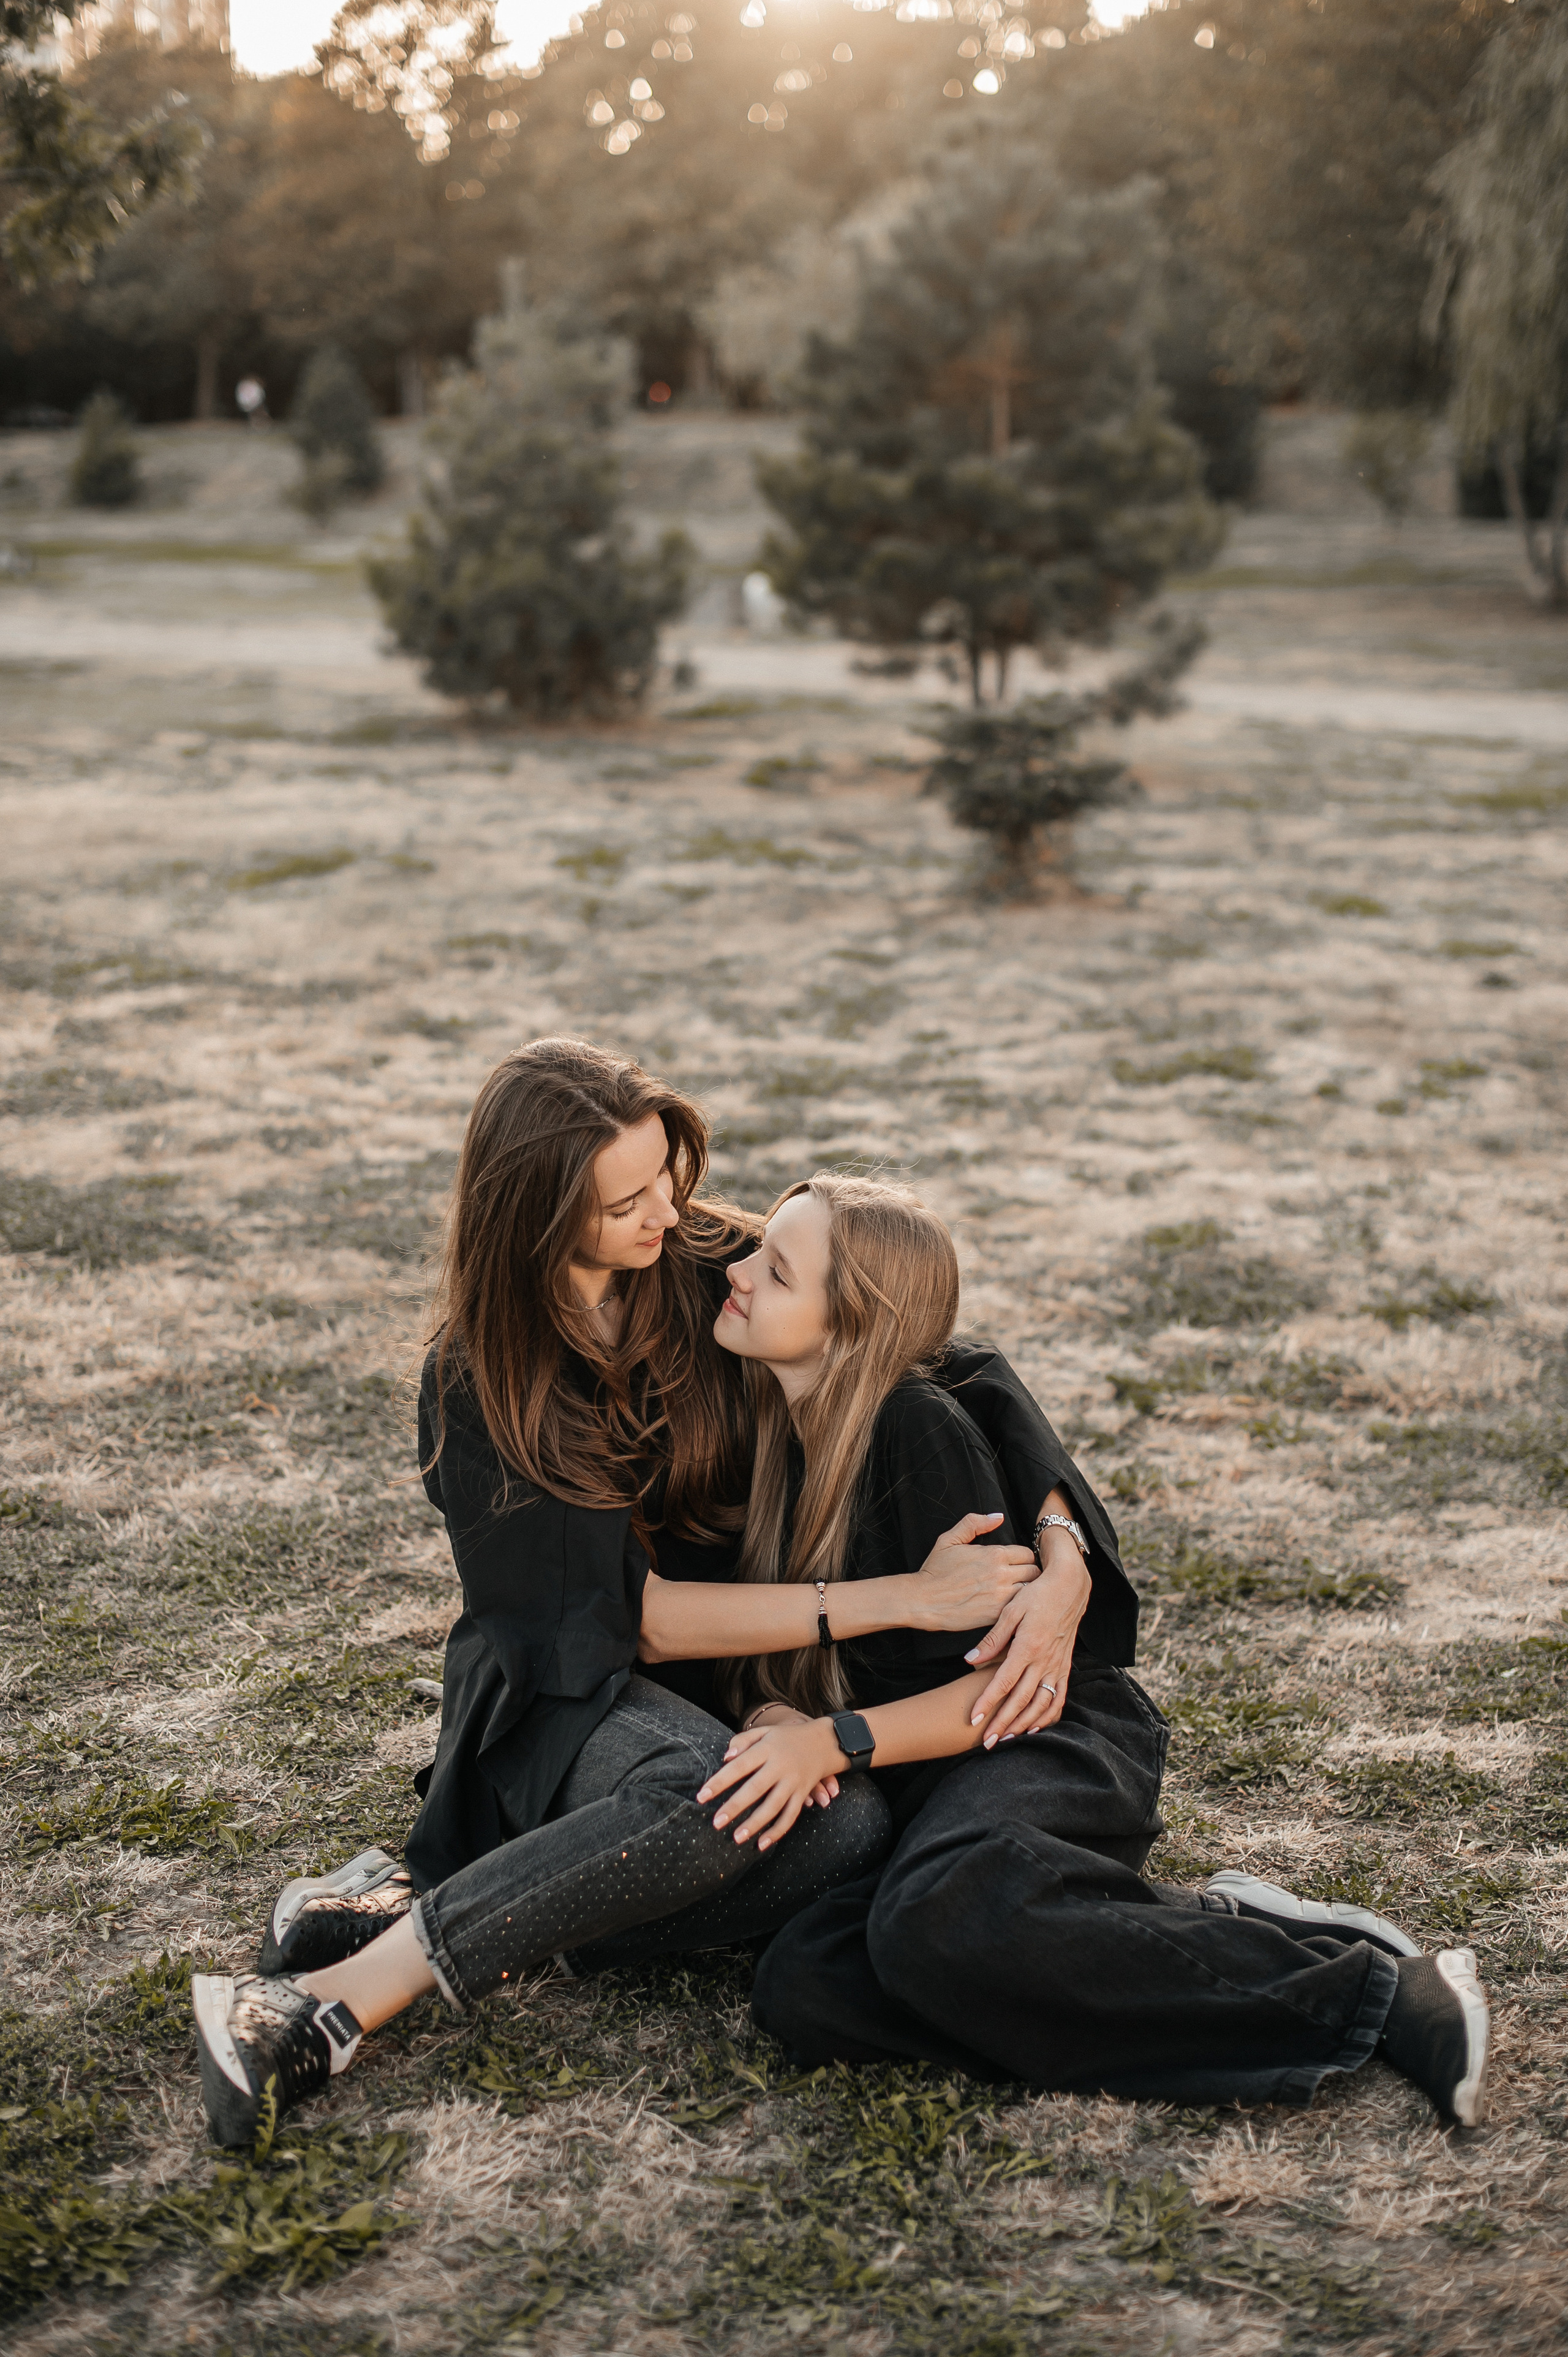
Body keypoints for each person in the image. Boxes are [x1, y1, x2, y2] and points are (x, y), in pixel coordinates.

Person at [190, 1045, 1123, 2144]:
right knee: (698, 1788)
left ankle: (439, 1901)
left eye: (668, 1174)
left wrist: (1064, 1553)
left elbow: (921, 1344)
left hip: (736, 1686)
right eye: (626, 1199)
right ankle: (330, 2000)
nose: (669, 1212)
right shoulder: (476, 1380)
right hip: (575, 1693)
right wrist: (899, 1599)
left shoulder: (694, 1257)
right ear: (537, 1219)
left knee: (847, 1831)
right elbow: (635, 1620)